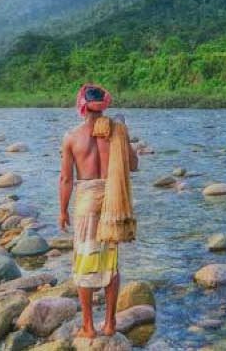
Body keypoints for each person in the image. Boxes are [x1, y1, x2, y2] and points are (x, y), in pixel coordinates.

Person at [59, 83, 139, 338]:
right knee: (110, 265)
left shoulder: (72, 137)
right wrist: (124, 138)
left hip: (86, 202)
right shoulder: (116, 132)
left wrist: (63, 211)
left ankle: (88, 327)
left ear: (81, 106)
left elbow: (66, 179)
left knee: (84, 263)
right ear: (103, 104)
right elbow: (134, 165)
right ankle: (110, 324)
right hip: (113, 200)